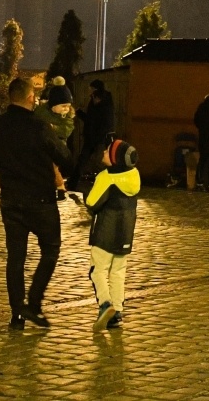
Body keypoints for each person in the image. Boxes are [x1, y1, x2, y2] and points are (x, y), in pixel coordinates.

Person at [0, 77, 74, 329]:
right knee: (51, 249)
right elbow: (65, 157)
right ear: (30, 98)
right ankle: (33, 303)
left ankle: (17, 314)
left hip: (11, 199)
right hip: (40, 200)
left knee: (16, 257)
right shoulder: (40, 126)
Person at [84, 138, 140, 330]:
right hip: (125, 233)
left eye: (108, 152)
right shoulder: (134, 175)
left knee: (97, 270)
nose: (104, 154)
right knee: (118, 271)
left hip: (105, 233)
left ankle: (105, 304)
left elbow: (92, 202)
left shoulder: (106, 177)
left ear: (115, 159)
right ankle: (117, 312)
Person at [80, 79, 116, 178]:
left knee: (95, 159)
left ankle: (101, 177)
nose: (89, 91)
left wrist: (79, 113)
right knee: (88, 159)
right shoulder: (105, 99)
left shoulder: (98, 100)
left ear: (95, 89)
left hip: (96, 135)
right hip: (98, 134)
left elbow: (92, 119)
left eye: (90, 88)